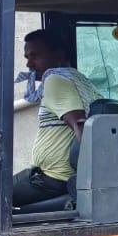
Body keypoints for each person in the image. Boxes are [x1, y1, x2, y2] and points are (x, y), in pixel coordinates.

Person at [13, 30, 97, 207]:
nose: (28, 64)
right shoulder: (77, 78)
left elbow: (82, 127)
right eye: (27, 57)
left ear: (58, 55)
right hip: (46, 175)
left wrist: (88, 182)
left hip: (54, 179)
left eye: (35, 56)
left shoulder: (55, 79)